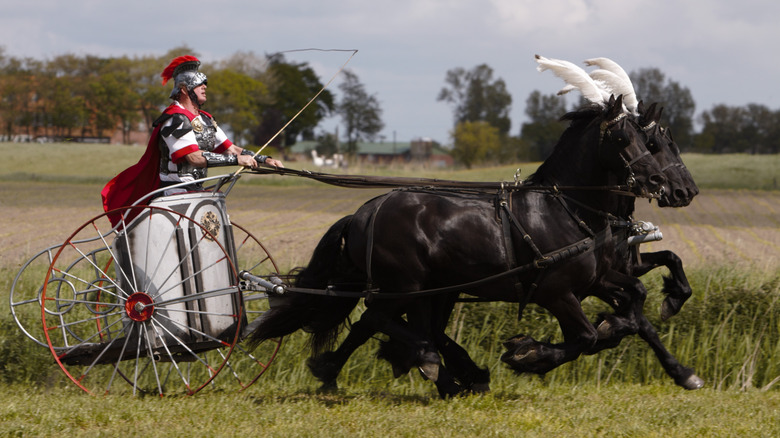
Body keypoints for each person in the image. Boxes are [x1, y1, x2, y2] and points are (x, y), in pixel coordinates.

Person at [101, 55, 283, 225]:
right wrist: (237, 161)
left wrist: (265, 160)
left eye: (205, 84)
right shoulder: (174, 119)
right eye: (199, 84)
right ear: (184, 90)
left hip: (196, 191)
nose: (205, 87)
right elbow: (194, 158)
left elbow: (232, 149)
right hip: (174, 193)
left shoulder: (205, 119)